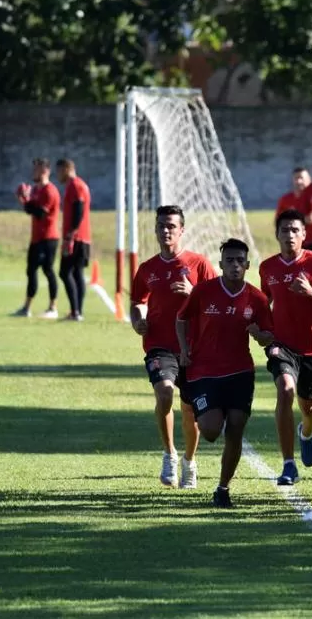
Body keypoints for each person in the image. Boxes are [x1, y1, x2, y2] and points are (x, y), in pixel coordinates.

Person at [176, 238, 274, 508]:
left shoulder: (257, 298)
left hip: (240, 372)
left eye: (239, 261)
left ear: (247, 265)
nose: (234, 265)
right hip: (203, 372)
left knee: (236, 428)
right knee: (209, 430)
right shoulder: (203, 292)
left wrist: (260, 335)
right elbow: (181, 319)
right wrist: (184, 350)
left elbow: (269, 336)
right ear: (220, 264)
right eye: (229, 260)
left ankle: (223, 488)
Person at [130, 206, 216, 489]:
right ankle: (169, 454)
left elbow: (217, 301)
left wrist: (194, 293)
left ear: (182, 230)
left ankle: (190, 462)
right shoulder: (147, 269)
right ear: (155, 230)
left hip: (194, 348)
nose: (166, 231)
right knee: (164, 392)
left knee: (191, 410)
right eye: (161, 226)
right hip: (160, 345)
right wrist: (138, 320)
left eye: (171, 226)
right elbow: (137, 302)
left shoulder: (199, 264)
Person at [260, 209, 312, 486]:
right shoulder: (267, 267)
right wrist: (264, 333)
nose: (290, 235)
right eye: (285, 230)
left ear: (304, 234)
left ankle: (306, 432)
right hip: (283, 346)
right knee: (285, 389)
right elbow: (264, 304)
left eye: (295, 230)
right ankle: (288, 464)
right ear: (277, 234)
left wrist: (311, 293)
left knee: (310, 408)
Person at [13, 157, 61, 318]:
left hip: (49, 238)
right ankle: (26, 308)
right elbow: (29, 210)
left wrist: (26, 201)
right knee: (31, 270)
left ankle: (53, 307)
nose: (34, 172)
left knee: (47, 270)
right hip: (36, 238)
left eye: (37, 169)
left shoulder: (50, 191)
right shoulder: (35, 189)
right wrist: (24, 199)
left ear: (46, 171)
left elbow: (40, 213)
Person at [57, 159, 92, 321]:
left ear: (66, 169)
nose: (57, 175)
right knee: (77, 273)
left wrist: (71, 234)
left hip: (76, 237)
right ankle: (77, 312)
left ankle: (75, 311)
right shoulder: (76, 186)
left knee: (65, 272)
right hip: (81, 237)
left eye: (58, 171)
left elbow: (79, 210)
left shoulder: (76, 186)